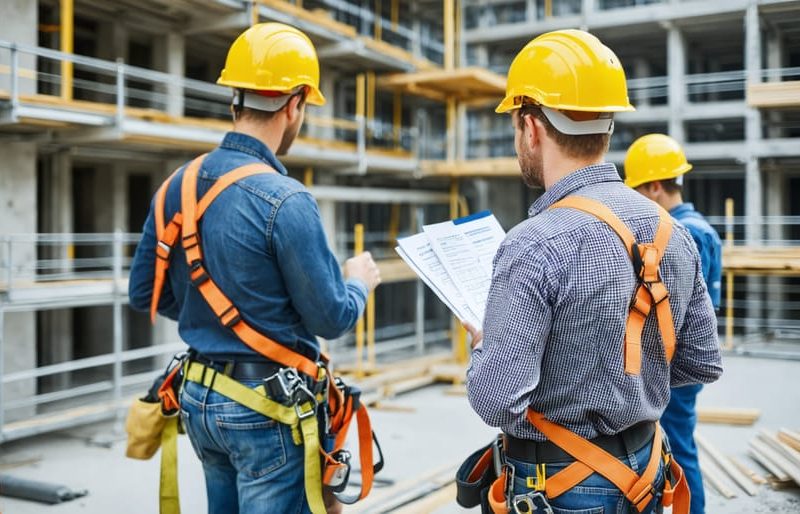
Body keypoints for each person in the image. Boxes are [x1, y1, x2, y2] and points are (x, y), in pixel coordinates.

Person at [462, 29, 722, 513]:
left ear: (531, 125)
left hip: (557, 487)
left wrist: (483, 349)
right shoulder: (673, 234)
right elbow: (701, 362)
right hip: (645, 475)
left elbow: (497, 401)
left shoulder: (534, 244)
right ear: (607, 124)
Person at [129, 23, 380, 514]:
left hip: (200, 398)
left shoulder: (175, 187)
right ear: (294, 105)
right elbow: (331, 319)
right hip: (267, 410)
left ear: (235, 100)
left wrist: (212, 314)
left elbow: (146, 294)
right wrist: (358, 283)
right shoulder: (287, 201)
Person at [625, 133, 723, 514]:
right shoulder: (699, 227)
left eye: (636, 192)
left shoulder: (683, 234)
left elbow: (668, 305)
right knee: (677, 443)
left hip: (675, 356)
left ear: (654, 187)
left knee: (678, 449)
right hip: (683, 351)